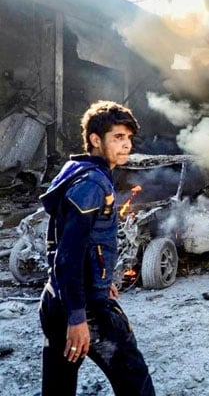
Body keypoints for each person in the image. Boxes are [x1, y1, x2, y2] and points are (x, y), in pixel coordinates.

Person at [38, 101, 155, 395]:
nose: (126, 145)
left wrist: (101, 278)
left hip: (56, 298)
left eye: (128, 138)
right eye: (118, 137)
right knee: (135, 382)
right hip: (83, 309)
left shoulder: (77, 170)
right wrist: (78, 318)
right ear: (94, 139)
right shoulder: (92, 183)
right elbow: (69, 254)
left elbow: (76, 240)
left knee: (58, 387)